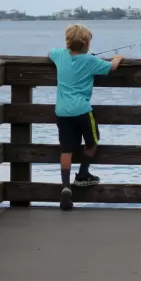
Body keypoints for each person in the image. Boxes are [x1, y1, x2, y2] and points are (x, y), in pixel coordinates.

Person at [48, 24, 124, 211]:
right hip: (82, 110)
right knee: (92, 141)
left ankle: (65, 186)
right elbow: (112, 67)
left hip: (62, 111)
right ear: (87, 44)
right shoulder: (90, 61)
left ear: (68, 42)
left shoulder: (60, 55)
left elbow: (50, 53)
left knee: (66, 149)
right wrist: (118, 57)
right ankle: (82, 174)